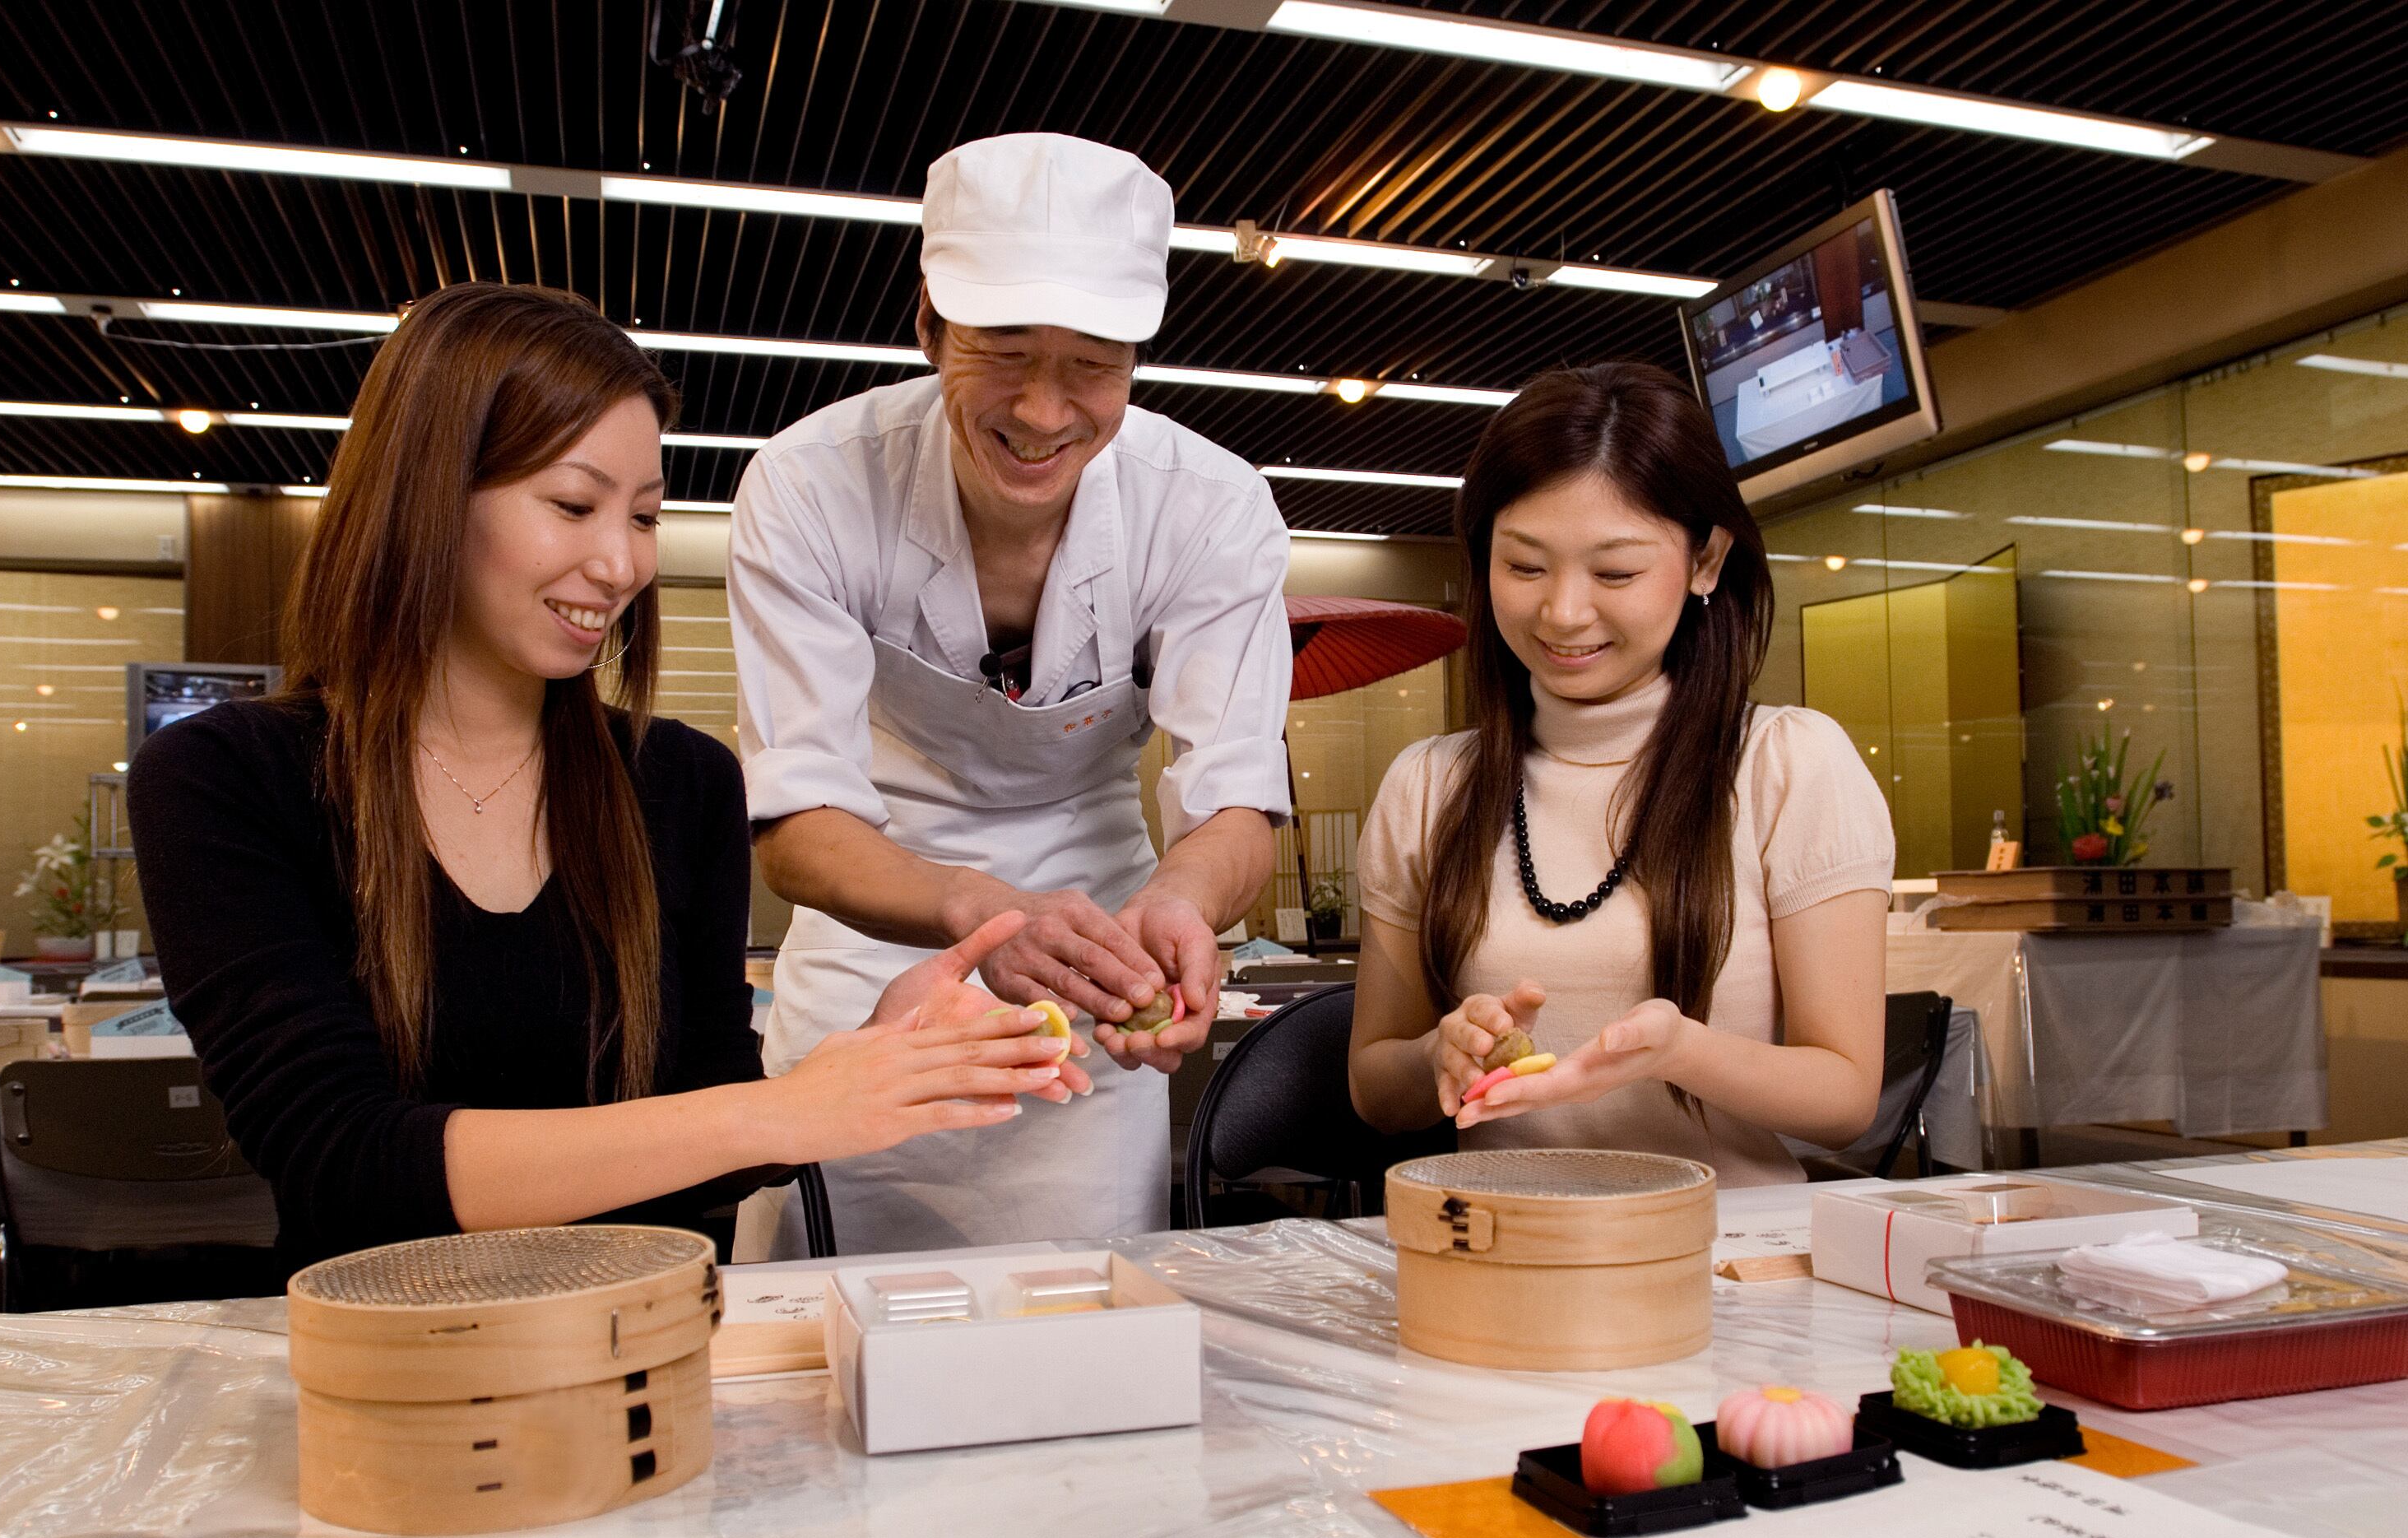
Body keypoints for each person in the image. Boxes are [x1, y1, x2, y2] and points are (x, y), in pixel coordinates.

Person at [129, 282, 1076, 1271]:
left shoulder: (682, 784)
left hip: (653, 1348)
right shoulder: (223, 779)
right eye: (574, 506)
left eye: (646, 518)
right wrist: (783, 1111)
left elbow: (703, 1161)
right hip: (391, 1374)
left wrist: (864, 1064)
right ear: (428, 493)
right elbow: (343, 1159)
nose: (621, 564)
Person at [731, 133, 1294, 1252]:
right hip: (872, 942)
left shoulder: (1211, 508)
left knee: (1077, 1316)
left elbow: (1234, 802)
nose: (1044, 412)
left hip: (1097, 952)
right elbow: (799, 826)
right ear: (929, 325)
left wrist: (1178, 907)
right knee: (813, 1314)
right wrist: (970, 909)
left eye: (1093, 363)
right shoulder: (809, 485)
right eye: (1003, 350)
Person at [1347, 363, 1893, 1178]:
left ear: (1706, 561)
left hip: (1730, 1262)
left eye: (1615, 572)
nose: (1563, 612)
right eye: (1525, 566)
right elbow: (1374, 1089)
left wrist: (1679, 1052)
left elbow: (1847, 1096)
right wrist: (1440, 1053)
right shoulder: (1430, 786)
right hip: (1502, 1252)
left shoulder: (1789, 765)